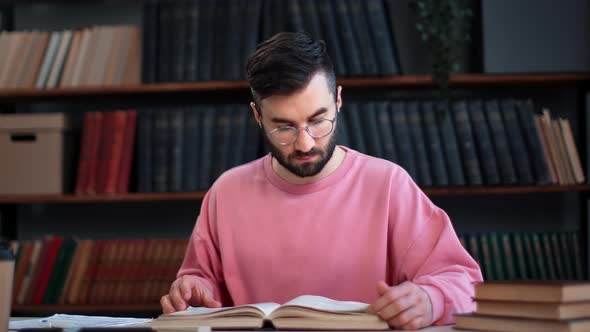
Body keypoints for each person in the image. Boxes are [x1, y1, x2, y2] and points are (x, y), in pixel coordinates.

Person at [160, 32, 482, 330]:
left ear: (338, 100)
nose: (305, 144)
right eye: (283, 127)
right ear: (257, 116)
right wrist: (194, 289)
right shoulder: (226, 192)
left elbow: (464, 282)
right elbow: (200, 282)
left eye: (318, 120)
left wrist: (430, 299)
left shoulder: (388, 185)